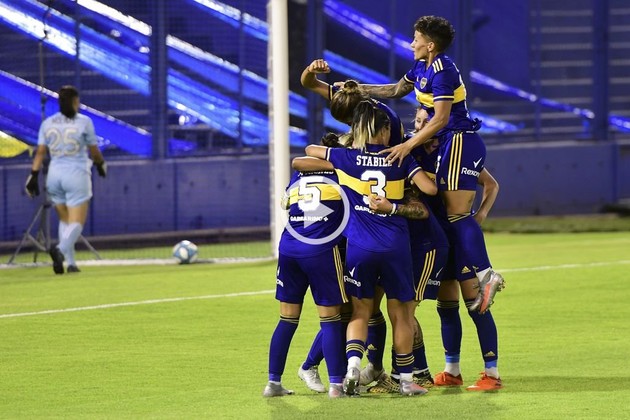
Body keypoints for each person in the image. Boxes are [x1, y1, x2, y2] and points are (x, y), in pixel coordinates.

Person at [356, 15, 505, 317]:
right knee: (455, 213)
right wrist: (361, 89)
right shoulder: (421, 67)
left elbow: (440, 119)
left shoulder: (443, 71)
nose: (412, 44)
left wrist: (407, 145)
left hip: (459, 139)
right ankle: (483, 273)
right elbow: (396, 90)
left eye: (416, 39)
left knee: (457, 212)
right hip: (451, 141)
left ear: (430, 45)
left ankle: (485, 273)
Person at [293, 101, 437, 396]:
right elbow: (430, 189)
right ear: (384, 131)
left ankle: (352, 368)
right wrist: (405, 159)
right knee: (401, 315)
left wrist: (343, 163)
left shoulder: (347, 157)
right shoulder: (400, 158)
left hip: (359, 248)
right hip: (395, 247)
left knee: (359, 312)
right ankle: (406, 381)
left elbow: (309, 150)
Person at [410, 105, 503, 390]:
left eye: (424, 121)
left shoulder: (453, 152)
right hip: (438, 241)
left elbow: (491, 185)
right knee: (446, 307)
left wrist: (481, 215)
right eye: (416, 121)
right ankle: (452, 370)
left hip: (459, 238)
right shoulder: (414, 153)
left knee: (477, 306)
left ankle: (492, 374)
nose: (418, 127)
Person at [263, 135, 348, 399]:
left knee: (287, 319)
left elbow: (285, 204)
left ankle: (273, 383)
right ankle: (336, 385)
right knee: (331, 320)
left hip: (289, 248)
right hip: (321, 250)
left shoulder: (297, 177)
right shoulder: (344, 175)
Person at [25, 85, 106, 274]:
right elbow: (94, 151)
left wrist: (34, 175)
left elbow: (40, 153)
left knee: (65, 219)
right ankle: (60, 250)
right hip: (76, 174)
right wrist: (100, 164)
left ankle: (70, 263)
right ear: (76, 101)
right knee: (77, 221)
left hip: (54, 175)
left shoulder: (48, 123)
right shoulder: (84, 122)